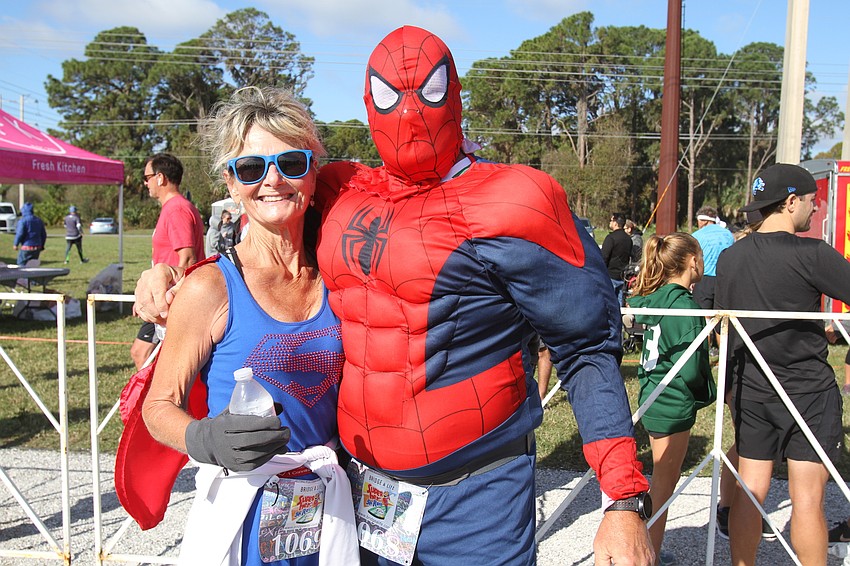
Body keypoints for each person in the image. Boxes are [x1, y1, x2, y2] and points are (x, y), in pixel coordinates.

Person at [135, 26, 654, 565]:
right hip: (365, 495)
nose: (408, 112)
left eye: (428, 90)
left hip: (477, 493)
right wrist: (168, 272)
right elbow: (267, 220)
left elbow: (586, 347)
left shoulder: (516, 201)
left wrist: (622, 499)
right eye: (389, 94)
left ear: (454, 94)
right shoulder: (343, 193)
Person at [141, 86, 357, 565]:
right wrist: (206, 440)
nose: (273, 180)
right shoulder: (211, 288)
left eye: (292, 163)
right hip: (244, 512)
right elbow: (158, 406)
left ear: (313, 171)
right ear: (231, 182)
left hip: (333, 509)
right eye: (252, 168)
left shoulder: (342, 273)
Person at [714, 163, 850, 566]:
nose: (815, 208)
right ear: (791, 202)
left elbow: (724, 324)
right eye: (811, 201)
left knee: (750, 491)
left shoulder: (730, 258)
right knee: (806, 497)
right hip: (808, 390)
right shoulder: (812, 254)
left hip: (752, 389)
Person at [628, 233, 716, 565]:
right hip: (673, 399)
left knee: (661, 478)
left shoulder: (654, 298)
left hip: (652, 393)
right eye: (701, 256)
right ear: (692, 261)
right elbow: (691, 369)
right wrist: (704, 390)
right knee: (665, 482)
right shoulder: (685, 306)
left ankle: (648, 545)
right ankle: (647, 552)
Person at [130, 153, 205, 370]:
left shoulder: (176, 209)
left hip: (171, 302)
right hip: (167, 299)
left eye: (147, 178)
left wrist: (168, 300)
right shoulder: (175, 208)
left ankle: (157, 392)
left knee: (141, 353)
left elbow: (188, 258)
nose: (146, 183)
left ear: (160, 177)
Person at [690, 206, 734, 311]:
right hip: (725, 280)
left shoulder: (697, 235)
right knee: (722, 316)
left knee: (702, 315)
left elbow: (692, 259)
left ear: (703, 220)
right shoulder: (728, 234)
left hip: (705, 279)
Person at [601, 212, 633, 306]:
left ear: (615, 223)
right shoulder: (628, 239)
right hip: (622, 276)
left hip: (610, 276)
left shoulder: (611, 238)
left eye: (611, 220)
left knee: (609, 304)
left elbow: (604, 257)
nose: (610, 222)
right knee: (619, 305)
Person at [13, 202, 46, 266]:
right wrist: (42, 245)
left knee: (21, 264)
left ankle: (23, 272)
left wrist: (15, 244)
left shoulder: (23, 221)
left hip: (26, 246)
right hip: (37, 246)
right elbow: (43, 234)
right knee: (33, 265)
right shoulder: (39, 220)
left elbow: (20, 233)